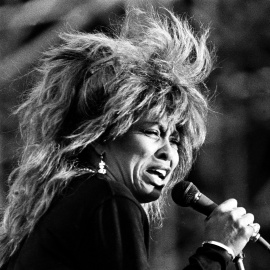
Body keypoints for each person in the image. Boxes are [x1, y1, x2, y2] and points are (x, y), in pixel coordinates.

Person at [0, 7, 259, 270]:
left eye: (176, 140)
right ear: (102, 134)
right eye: (152, 132)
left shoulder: (61, 203)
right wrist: (218, 250)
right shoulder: (108, 198)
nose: (169, 154)